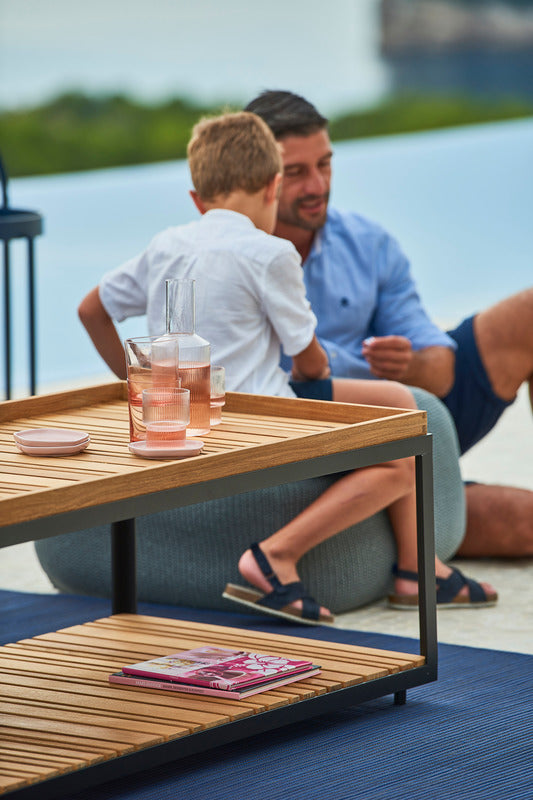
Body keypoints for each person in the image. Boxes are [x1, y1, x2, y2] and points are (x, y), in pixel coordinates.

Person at [78, 111, 496, 623]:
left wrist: (136, 386)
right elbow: (308, 358)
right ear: (273, 186)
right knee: (400, 454)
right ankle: (275, 557)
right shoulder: (271, 253)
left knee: (403, 403)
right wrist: (318, 371)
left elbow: (91, 311)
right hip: (260, 416)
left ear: (196, 198)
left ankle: (416, 570)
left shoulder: (166, 243)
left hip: (195, 408)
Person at [244, 89, 533, 558]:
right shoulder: (227, 260)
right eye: (295, 172)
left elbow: (440, 372)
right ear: (253, 174)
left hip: (417, 415)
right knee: (524, 525)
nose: (317, 185)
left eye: (325, 164)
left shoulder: (368, 243)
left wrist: (407, 364)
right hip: (338, 464)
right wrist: (368, 369)